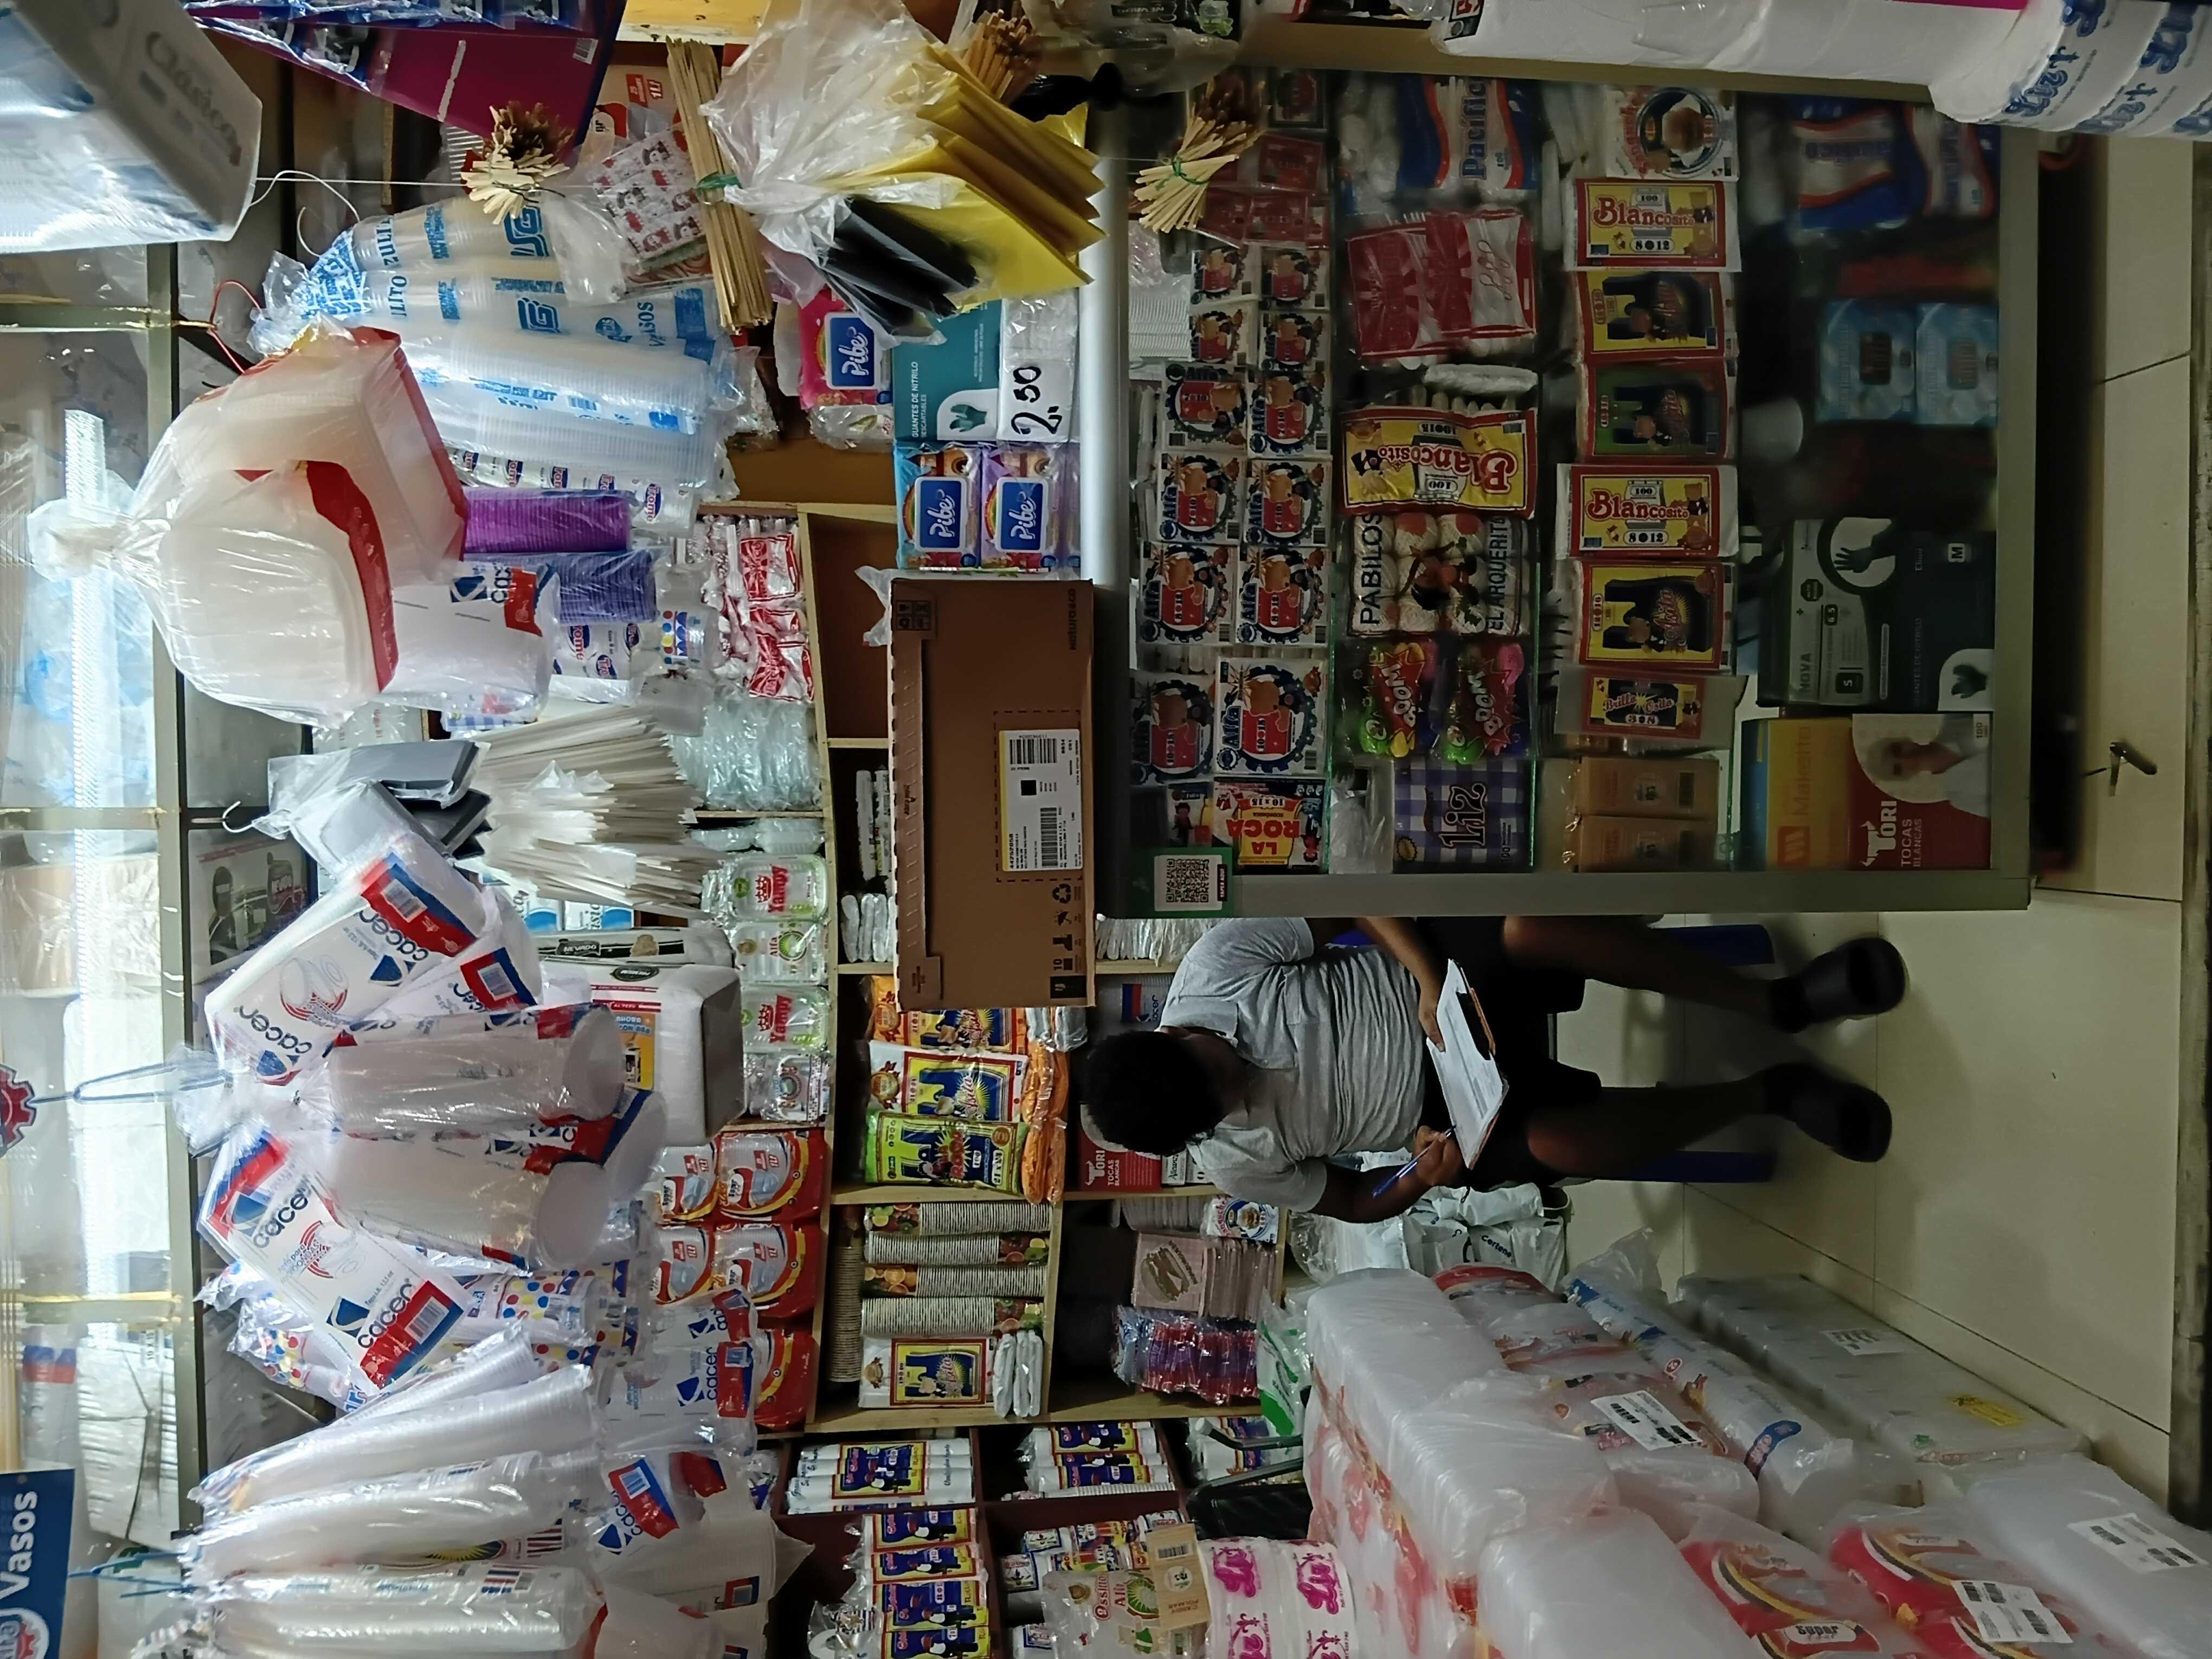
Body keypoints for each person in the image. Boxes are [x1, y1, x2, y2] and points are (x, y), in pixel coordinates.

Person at [1077, 918, 1905, 1223]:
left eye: (1219, 1069)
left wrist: (1425, 978)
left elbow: (1353, 902)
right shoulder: (1231, 1161)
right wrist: (1418, 1178)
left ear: (1174, 1031)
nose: (1239, 1090)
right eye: (1223, 1108)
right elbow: (1352, 1201)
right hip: (1448, 1107)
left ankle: (1778, 1002)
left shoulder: (1215, 968)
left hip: (1439, 982)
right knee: (1562, 1148)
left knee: (1529, 931)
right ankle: (1767, 1093)